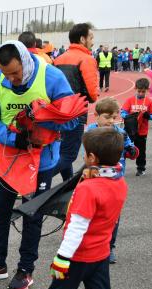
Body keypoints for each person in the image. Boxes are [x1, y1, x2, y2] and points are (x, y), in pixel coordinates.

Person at [0, 40, 78, 289]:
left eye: (15, 72)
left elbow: (72, 120)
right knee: (0, 209)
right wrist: (14, 138)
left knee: (32, 213)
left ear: (24, 60)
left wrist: (42, 122)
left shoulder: (51, 77)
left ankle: (26, 269)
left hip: (42, 160)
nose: (12, 79)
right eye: (6, 74)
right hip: (8, 159)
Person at [24, 128, 127, 289]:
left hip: (78, 255)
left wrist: (62, 258)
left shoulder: (88, 189)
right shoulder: (119, 182)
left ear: (92, 158)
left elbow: (77, 228)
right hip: (100, 254)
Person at [85, 98, 138, 264]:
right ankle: (91, 244)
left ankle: (110, 246)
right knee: (91, 214)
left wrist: (132, 150)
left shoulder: (120, 133)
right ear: (96, 116)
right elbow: (87, 156)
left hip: (115, 180)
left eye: (114, 118)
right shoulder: (90, 132)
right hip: (94, 179)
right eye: (107, 117)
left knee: (113, 216)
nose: (111, 121)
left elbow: (132, 152)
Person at [53, 23, 99, 181]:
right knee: (68, 155)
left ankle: (68, 185)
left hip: (56, 113)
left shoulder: (58, 59)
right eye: (91, 37)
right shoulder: (87, 59)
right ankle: (37, 181)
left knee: (62, 152)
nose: (93, 41)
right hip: (76, 114)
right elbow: (93, 95)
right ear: (82, 39)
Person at [121, 78, 152, 176]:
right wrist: (126, 116)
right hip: (129, 130)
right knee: (124, 148)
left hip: (142, 131)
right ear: (136, 89)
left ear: (146, 90)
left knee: (141, 151)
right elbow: (123, 112)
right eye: (139, 91)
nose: (141, 93)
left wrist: (149, 116)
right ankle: (120, 166)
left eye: (143, 91)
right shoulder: (130, 100)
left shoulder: (149, 102)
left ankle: (141, 168)